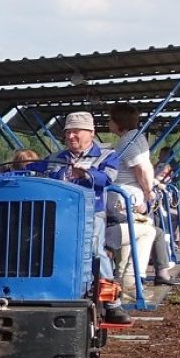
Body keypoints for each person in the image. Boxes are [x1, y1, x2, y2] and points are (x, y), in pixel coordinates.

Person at [45, 112, 131, 325]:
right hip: (60, 213)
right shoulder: (57, 157)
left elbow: (107, 178)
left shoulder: (106, 155)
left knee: (95, 251)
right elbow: (44, 173)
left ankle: (112, 304)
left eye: (76, 132)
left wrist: (85, 174)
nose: (71, 136)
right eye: (67, 132)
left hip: (92, 213)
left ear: (91, 133)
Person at [107, 104, 179, 287]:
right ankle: (131, 281)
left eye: (110, 119)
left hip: (126, 199)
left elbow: (140, 169)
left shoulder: (128, 142)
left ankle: (128, 282)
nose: (108, 123)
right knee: (144, 234)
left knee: (140, 235)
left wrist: (148, 193)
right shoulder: (136, 138)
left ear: (118, 122)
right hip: (131, 198)